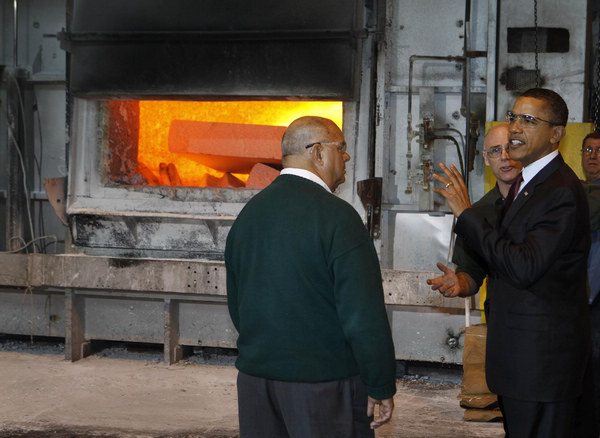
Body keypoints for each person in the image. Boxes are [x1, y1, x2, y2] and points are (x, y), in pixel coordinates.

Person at [433, 88, 597, 436]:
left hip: (541, 365)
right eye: (513, 117)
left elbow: (523, 266)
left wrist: (467, 214)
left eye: (529, 120)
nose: (516, 128)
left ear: (556, 134)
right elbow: (500, 257)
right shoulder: (529, 184)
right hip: (522, 363)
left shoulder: (560, 191)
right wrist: (466, 277)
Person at [224, 116, 397, 438]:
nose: (346, 157)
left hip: (255, 383)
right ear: (318, 152)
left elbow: (237, 303)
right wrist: (380, 382)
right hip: (323, 385)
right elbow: (362, 315)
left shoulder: (250, 215)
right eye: (341, 148)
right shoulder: (338, 217)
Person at [427, 123, 522, 299]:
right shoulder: (478, 213)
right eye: (495, 150)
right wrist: (460, 282)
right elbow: (471, 271)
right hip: (501, 317)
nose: (504, 156)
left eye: (510, 148)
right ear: (486, 158)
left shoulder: (545, 199)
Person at [581, 131, 600, 430]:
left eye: (599, 151)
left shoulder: (586, 197)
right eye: (588, 149)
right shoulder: (579, 189)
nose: (593, 156)